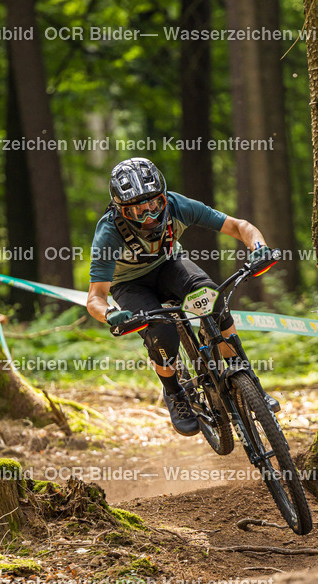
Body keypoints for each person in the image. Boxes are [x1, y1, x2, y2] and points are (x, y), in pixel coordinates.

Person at [86, 157, 279, 436]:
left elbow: (239, 227)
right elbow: (95, 297)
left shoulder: (178, 206)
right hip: (130, 285)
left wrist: (258, 247)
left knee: (212, 299)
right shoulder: (108, 233)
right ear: (120, 209)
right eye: (137, 210)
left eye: (153, 203)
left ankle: (247, 378)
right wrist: (110, 313)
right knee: (162, 336)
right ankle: (174, 392)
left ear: (163, 197)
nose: (148, 214)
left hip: (169, 264)